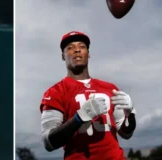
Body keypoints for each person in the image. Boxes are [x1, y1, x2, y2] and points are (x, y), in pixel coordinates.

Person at [40, 31, 137, 160]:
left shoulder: (110, 88)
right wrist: (79, 118)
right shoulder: (54, 92)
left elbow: (126, 133)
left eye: (82, 46)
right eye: (70, 47)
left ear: (88, 53)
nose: (77, 50)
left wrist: (130, 115)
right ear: (63, 56)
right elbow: (49, 142)